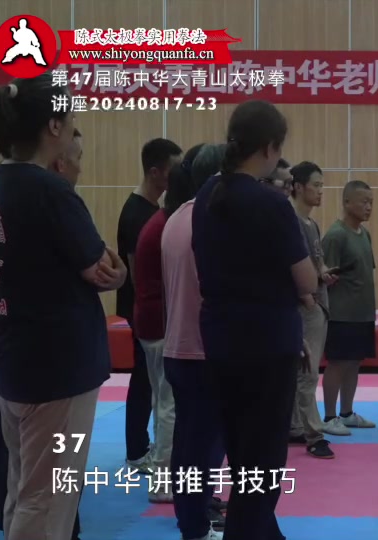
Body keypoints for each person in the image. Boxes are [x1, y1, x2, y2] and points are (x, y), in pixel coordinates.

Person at [0, 74, 126, 540]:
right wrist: (118, 272)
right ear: (54, 126)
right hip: (56, 369)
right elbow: (102, 268)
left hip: (15, 358)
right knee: (47, 499)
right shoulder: (49, 189)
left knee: (25, 487)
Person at [191, 100, 316, 540]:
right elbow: (307, 281)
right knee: (263, 464)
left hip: (220, 336)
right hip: (266, 341)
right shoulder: (271, 203)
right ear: (269, 148)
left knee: (243, 451)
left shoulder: (207, 195)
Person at [162, 143, 227, 540]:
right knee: (202, 448)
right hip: (203, 349)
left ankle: (191, 521)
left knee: (188, 445)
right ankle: (196, 524)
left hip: (179, 346)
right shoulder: (209, 219)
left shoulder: (176, 217)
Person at [133, 148, 202, 502]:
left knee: (166, 402)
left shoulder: (164, 222)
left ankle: (165, 473)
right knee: (169, 404)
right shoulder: (168, 225)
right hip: (160, 325)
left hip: (154, 322)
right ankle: (163, 480)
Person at [117, 137, 183, 475]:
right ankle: (137, 450)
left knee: (153, 384)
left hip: (150, 310)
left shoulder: (154, 210)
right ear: (155, 172)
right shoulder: (137, 214)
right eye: (174, 170)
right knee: (145, 383)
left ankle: (148, 447)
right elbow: (136, 274)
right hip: (143, 311)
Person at [286, 161, 336, 459]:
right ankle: (314, 434)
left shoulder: (311, 224)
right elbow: (291, 266)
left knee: (303, 371)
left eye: (321, 185)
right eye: (315, 185)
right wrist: (307, 298)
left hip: (317, 303)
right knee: (307, 373)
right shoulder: (291, 221)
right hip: (307, 305)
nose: (320, 191)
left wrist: (324, 272)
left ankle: (296, 425)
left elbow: (316, 261)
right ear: (298, 187)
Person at [320, 180, 378, 435]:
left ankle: (347, 413)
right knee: (338, 363)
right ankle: (329, 416)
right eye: (364, 201)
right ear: (346, 202)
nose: (369, 207)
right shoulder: (335, 236)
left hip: (362, 313)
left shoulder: (364, 234)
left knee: (354, 363)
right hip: (341, 314)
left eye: (371, 202)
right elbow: (324, 277)